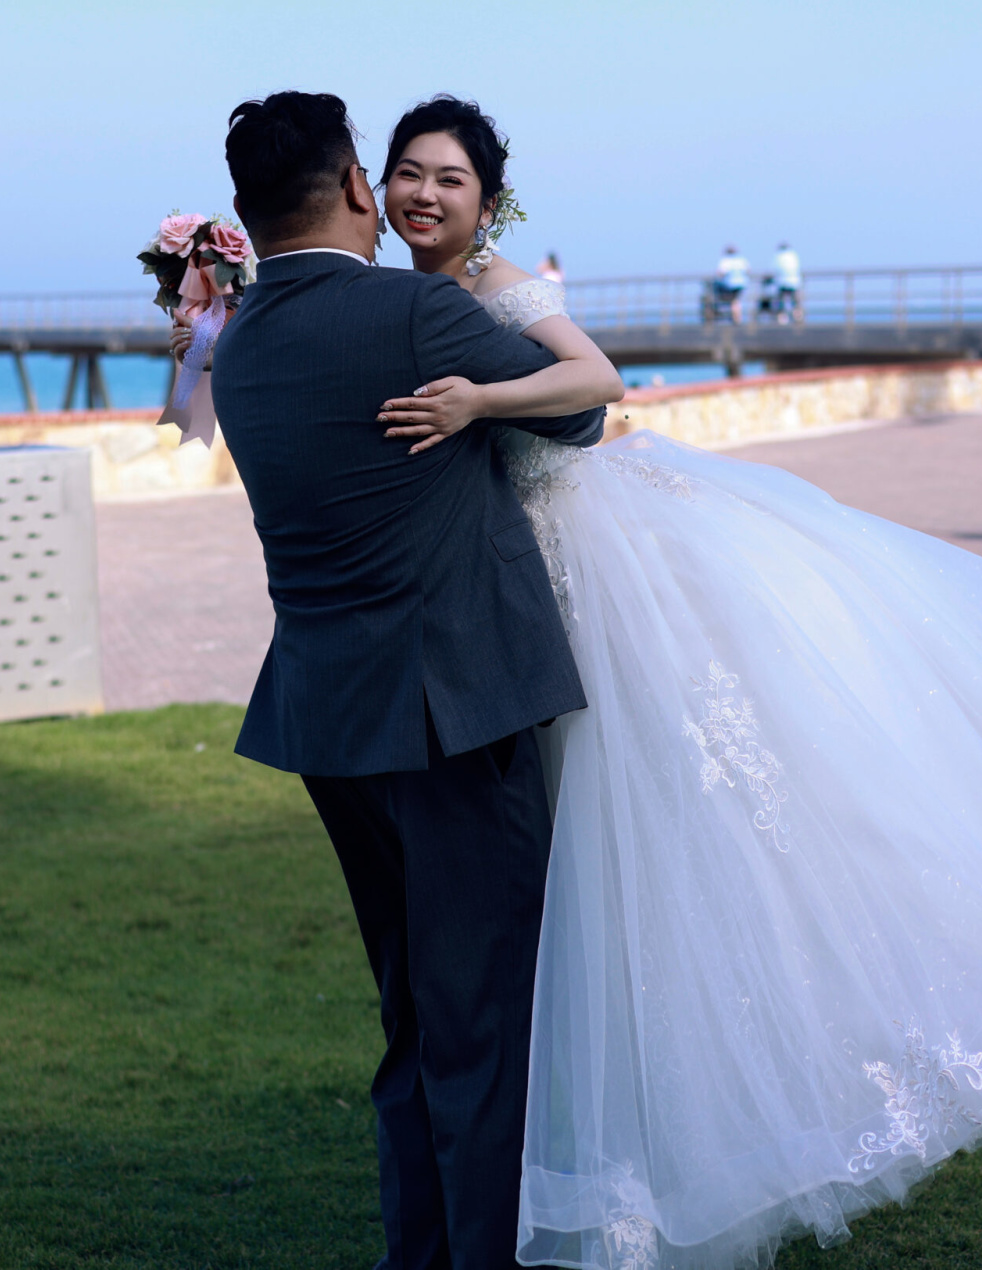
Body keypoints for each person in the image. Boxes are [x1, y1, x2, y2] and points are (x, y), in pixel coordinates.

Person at [362, 97, 982, 1268]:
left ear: (488, 200)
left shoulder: (502, 287)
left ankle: (673, 1116)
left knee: (656, 831)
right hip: (511, 594)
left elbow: (596, 378)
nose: (421, 194)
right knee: (562, 871)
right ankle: (558, 1133)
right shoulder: (406, 299)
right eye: (403, 175)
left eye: (446, 177)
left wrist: (481, 399)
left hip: (591, 561)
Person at [208, 91, 614, 1270]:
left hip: (328, 724)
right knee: (480, 1028)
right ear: (351, 189)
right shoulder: (414, 311)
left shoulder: (235, 346)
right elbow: (582, 416)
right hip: (451, 718)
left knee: (413, 1021)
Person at [712, 244, 749, 323]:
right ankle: (737, 317)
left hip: (730, 285)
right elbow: (748, 270)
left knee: (733, 301)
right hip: (741, 284)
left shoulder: (726, 261)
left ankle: (736, 318)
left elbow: (721, 272)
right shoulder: (741, 260)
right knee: (736, 301)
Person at [773, 239, 803, 322]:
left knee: (780, 303)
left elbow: (774, 270)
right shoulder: (794, 255)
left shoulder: (778, 256)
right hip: (794, 282)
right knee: (796, 303)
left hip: (782, 282)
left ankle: (782, 320)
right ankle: (798, 318)